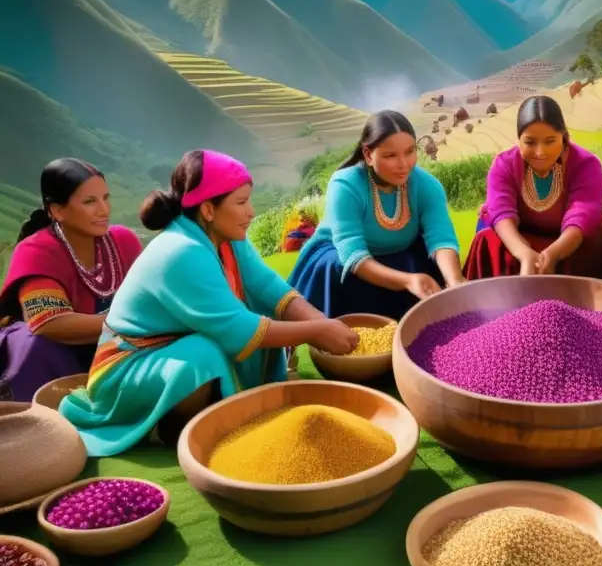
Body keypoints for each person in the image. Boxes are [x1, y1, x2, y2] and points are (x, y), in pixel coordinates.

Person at [59, 150, 360, 457]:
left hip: (168, 348)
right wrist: (315, 332)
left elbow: (267, 286)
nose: (251, 212)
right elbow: (240, 331)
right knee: (204, 353)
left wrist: (321, 321)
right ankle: (163, 427)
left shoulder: (227, 237)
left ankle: (223, 405)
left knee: (251, 311)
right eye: (241, 203)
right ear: (208, 210)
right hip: (128, 368)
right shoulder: (182, 251)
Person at [289, 111, 465, 320]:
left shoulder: (427, 186)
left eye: (410, 152)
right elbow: (353, 256)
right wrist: (408, 281)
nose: (403, 164)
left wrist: (455, 282)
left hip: (399, 253)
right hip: (341, 261)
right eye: (391, 155)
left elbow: (441, 239)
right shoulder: (345, 184)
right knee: (340, 267)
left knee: (420, 260)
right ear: (368, 154)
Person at [0, 159, 142, 403]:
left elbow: (148, 297)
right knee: (36, 344)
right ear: (57, 210)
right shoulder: (36, 250)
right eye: (90, 202)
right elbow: (49, 323)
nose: (104, 210)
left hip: (110, 346)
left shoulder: (124, 241)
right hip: (52, 352)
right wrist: (135, 324)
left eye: (105, 198)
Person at [463, 96, 602, 280]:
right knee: (487, 239)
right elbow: (502, 214)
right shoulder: (504, 164)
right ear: (518, 139)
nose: (540, 152)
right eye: (530, 142)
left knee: (596, 241)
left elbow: (582, 216)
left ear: (564, 136)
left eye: (550, 141)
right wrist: (524, 254)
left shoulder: (585, 165)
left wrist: (552, 255)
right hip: (519, 239)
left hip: (570, 242)